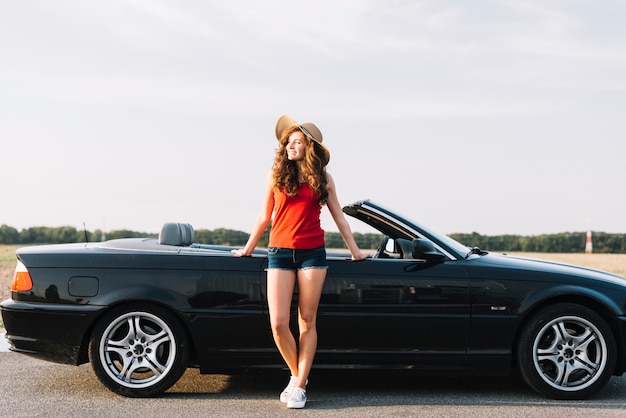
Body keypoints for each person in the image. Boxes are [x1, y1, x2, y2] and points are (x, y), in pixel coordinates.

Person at [232, 114, 368, 409]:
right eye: (287, 142)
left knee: (306, 321)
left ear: (309, 147)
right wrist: (247, 249)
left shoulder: (323, 179)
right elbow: (263, 216)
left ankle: (299, 387)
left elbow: (339, 218)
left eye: (296, 142)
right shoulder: (275, 175)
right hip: (279, 252)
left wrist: (355, 251)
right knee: (279, 323)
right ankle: (298, 378)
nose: (289, 146)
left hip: (313, 254)